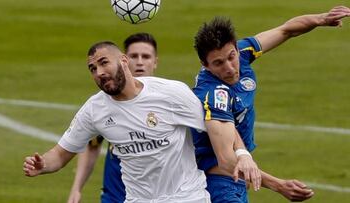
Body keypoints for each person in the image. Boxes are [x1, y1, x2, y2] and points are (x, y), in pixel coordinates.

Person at [23, 40, 218, 203]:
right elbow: (60, 154)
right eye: (92, 68)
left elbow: (217, 126)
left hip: (186, 197)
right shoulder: (94, 109)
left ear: (124, 60)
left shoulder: (171, 93)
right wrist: (43, 165)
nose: (99, 72)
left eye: (103, 62)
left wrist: (240, 154)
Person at [191, 5, 350, 203]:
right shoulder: (214, 95)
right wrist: (279, 185)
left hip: (235, 179)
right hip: (218, 182)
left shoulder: (243, 51)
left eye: (232, 57)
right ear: (205, 65)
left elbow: (286, 30)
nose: (230, 68)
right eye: (218, 63)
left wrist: (320, 19)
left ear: (236, 49)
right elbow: (226, 161)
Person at [67, 33, 158, 203]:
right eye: (133, 56)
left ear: (155, 62)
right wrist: (76, 188)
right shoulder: (105, 103)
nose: (139, 62)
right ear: (124, 60)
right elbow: (91, 145)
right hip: (116, 196)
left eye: (145, 56)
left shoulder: (168, 99)